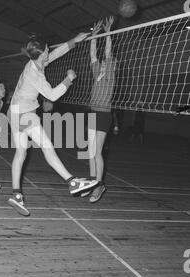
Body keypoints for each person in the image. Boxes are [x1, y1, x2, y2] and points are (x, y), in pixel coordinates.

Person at [7, 32, 99, 217]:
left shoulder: (36, 63)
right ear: (42, 54)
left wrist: (74, 40)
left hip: (14, 112)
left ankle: (16, 194)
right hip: (24, 113)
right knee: (47, 147)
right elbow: (53, 95)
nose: (50, 51)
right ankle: (72, 182)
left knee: (21, 153)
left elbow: (56, 54)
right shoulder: (35, 74)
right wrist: (69, 78)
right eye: (47, 49)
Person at [86, 17, 117, 203]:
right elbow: (92, 55)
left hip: (104, 114)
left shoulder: (111, 73)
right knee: (90, 151)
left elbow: (107, 51)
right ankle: (93, 182)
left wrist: (107, 33)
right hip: (92, 112)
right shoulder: (97, 70)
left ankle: (99, 186)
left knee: (97, 152)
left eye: (109, 60)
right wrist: (94, 35)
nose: (105, 61)